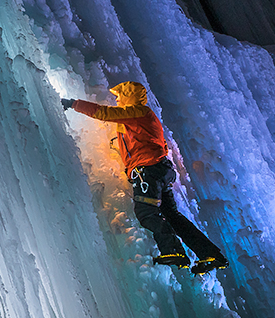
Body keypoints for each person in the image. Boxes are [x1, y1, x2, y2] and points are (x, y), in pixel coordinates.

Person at [61, 81, 226, 275]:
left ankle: (173, 250)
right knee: (172, 216)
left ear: (129, 97)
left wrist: (74, 104)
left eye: (120, 97)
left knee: (146, 212)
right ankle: (210, 254)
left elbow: (105, 113)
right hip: (159, 170)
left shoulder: (138, 112)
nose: (118, 100)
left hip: (148, 170)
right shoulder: (142, 118)